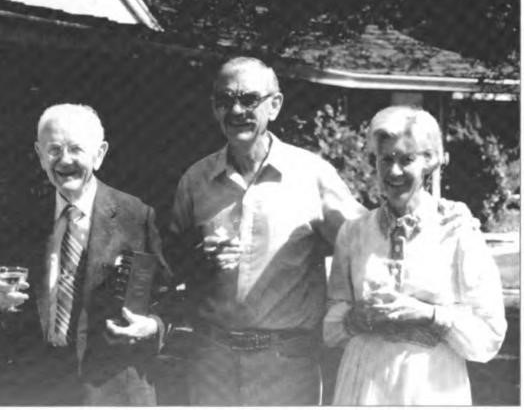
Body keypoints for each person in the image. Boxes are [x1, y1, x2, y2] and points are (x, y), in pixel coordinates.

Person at [166, 56, 367, 405]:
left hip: (285, 364)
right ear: (214, 108)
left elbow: (364, 244)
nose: (236, 110)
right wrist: (198, 260)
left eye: (248, 99)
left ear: (274, 106)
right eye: (225, 100)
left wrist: (425, 218)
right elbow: (170, 264)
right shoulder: (196, 180)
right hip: (212, 362)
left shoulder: (311, 176)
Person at [323, 105, 507, 405]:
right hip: (364, 383)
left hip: (430, 385)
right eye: (386, 159)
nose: (394, 171)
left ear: (429, 163)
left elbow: (489, 334)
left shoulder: (456, 229)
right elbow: (331, 327)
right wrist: (357, 317)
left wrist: (428, 314)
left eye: (407, 159)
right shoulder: (354, 232)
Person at [0, 103, 169, 405]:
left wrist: (152, 326)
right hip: (38, 386)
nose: (64, 160)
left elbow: (172, 296)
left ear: (99, 154)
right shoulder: (20, 217)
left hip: (114, 390)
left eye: (76, 149)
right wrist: (0, 300)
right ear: (39, 154)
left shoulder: (136, 216)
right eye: (54, 150)